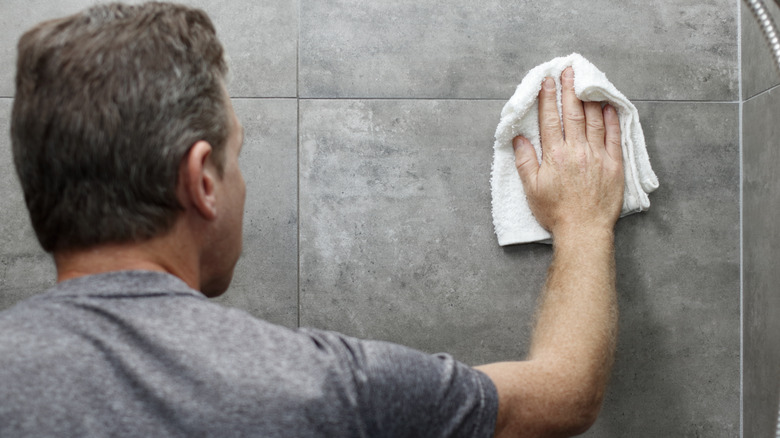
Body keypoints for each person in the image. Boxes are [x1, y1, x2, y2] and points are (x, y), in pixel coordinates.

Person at [0, 2, 624, 437]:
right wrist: (584, 224)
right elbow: (564, 394)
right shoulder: (323, 388)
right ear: (202, 181)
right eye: (236, 154)